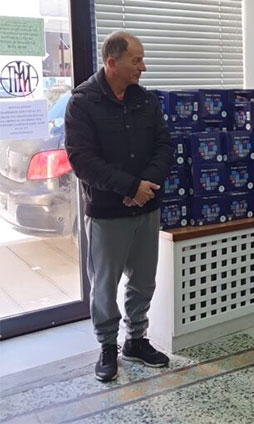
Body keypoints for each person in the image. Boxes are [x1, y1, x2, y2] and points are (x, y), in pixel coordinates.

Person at [65, 31, 173, 382]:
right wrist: (130, 187)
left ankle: (136, 340)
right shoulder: (83, 103)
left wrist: (145, 187)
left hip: (146, 207)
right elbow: (82, 161)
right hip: (107, 213)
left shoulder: (146, 100)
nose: (143, 66)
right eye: (136, 60)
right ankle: (107, 346)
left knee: (144, 281)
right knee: (104, 285)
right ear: (112, 62)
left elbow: (164, 146)